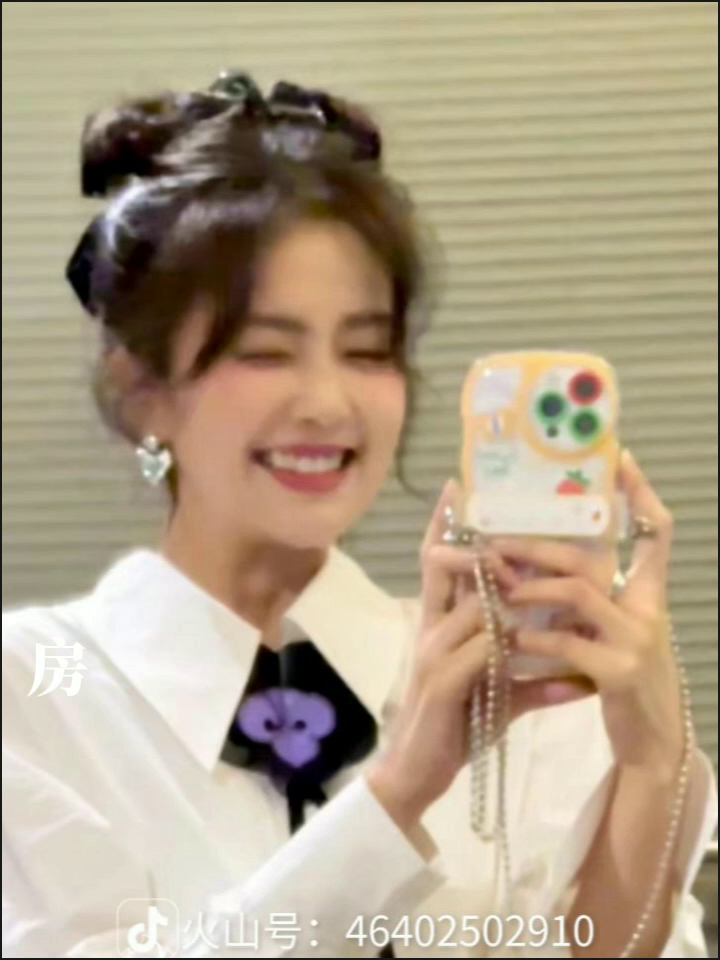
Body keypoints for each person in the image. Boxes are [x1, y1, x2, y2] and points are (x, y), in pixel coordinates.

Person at [2, 71, 716, 959]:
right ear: (141, 389)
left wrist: (652, 763)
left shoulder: (523, 681)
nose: (328, 404)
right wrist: (397, 793)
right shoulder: (32, 695)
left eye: (368, 352)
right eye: (265, 352)